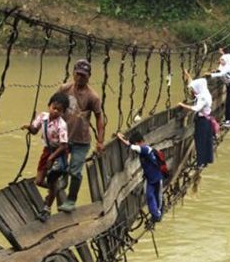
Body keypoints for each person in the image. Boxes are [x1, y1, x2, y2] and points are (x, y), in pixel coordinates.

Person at [57, 59, 105, 212]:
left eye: (84, 76)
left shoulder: (93, 97)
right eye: (78, 74)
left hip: (81, 141)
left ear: (89, 76)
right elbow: (54, 105)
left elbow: (99, 117)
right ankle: (61, 184)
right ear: (73, 73)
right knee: (58, 168)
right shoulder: (64, 89)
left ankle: (71, 200)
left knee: (76, 171)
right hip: (63, 138)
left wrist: (100, 141)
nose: (80, 78)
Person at [22, 92, 70, 221]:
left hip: (59, 153)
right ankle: (55, 189)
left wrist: (51, 158)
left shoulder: (62, 125)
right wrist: (29, 127)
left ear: (63, 112)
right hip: (47, 151)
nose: (55, 111)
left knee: (52, 179)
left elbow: (64, 146)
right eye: (53, 108)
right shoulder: (42, 117)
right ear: (49, 106)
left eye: (59, 110)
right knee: (39, 181)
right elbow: (35, 130)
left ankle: (47, 208)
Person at [116, 131, 163, 222]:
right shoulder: (142, 148)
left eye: (137, 144)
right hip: (150, 179)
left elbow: (131, 146)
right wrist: (122, 137)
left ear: (141, 141)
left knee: (158, 197)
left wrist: (120, 137)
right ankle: (155, 214)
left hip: (157, 178)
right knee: (149, 196)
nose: (136, 145)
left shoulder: (145, 149)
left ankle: (158, 214)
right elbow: (131, 144)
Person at [178, 78, 214, 169]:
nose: (193, 91)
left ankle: (200, 163)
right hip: (207, 119)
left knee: (200, 141)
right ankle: (206, 161)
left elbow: (195, 108)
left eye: (194, 89)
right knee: (206, 141)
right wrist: (187, 75)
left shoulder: (202, 97)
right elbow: (193, 84)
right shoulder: (205, 92)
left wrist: (182, 105)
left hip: (202, 121)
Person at [208, 53, 230, 127]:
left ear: (226, 60)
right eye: (221, 59)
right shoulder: (224, 66)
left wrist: (210, 75)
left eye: (222, 60)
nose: (220, 61)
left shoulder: (228, 67)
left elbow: (221, 74)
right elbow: (220, 71)